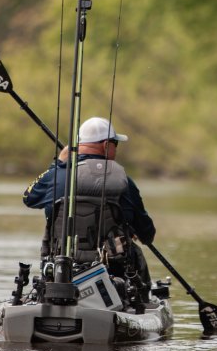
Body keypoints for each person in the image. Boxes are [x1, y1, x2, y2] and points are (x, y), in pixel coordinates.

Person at [23, 116, 155, 302]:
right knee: (135, 253)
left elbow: (29, 198)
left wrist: (57, 165)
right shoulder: (124, 181)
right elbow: (147, 234)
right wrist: (130, 230)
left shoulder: (56, 175)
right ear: (106, 144)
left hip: (62, 265)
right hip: (112, 268)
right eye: (116, 143)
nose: (116, 149)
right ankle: (141, 302)